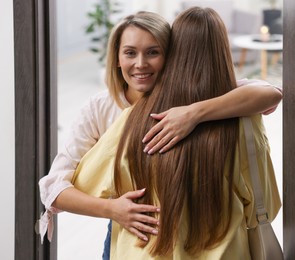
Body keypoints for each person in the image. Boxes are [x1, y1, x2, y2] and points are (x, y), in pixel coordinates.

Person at [38, 10, 281, 247]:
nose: (140, 64)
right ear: (117, 58)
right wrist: (112, 209)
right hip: (133, 229)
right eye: (130, 53)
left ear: (172, 56)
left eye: (153, 52)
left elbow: (269, 93)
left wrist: (193, 113)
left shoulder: (190, 97)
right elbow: (53, 187)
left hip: (198, 229)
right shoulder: (102, 108)